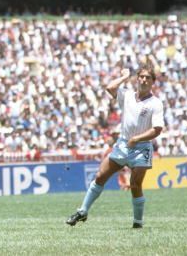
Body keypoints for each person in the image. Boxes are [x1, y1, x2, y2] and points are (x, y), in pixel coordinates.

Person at [66, 65, 164, 228]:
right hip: (123, 144)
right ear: (137, 78)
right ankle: (82, 211)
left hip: (141, 148)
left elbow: (157, 130)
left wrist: (137, 138)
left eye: (148, 78)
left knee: (135, 185)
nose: (144, 80)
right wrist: (124, 77)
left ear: (153, 82)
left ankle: (138, 222)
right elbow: (110, 87)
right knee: (100, 176)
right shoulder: (127, 96)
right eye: (142, 77)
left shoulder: (156, 103)